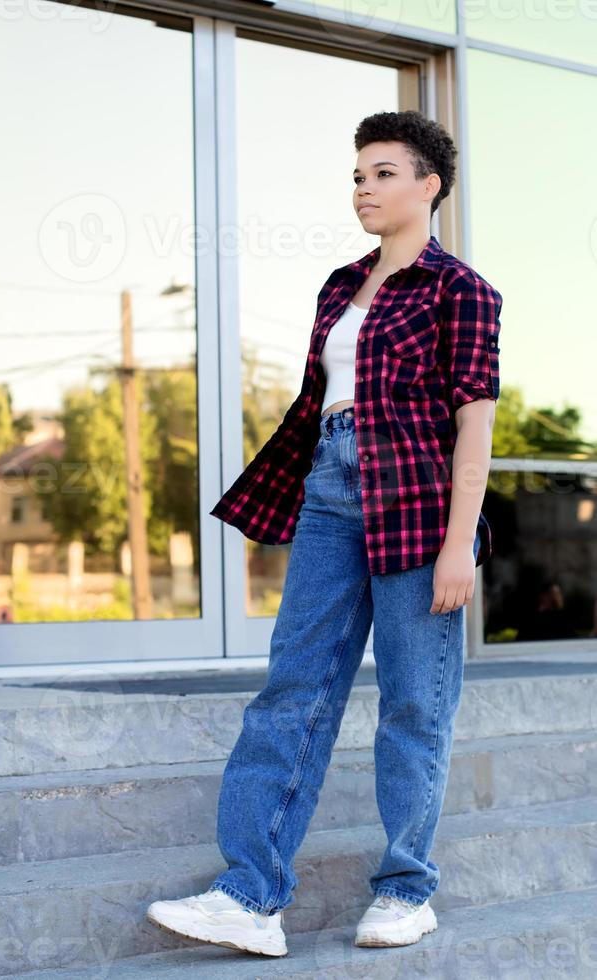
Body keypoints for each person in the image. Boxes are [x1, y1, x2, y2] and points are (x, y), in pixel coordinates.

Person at [146, 109, 502, 957]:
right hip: (333, 489)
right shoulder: (341, 286)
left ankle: (407, 888)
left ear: (430, 185)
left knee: (416, 703)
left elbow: (475, 427)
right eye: (357, 176)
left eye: (383, 173)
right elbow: (318, 407)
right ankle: (250, 895)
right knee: (293, 688)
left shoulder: (463, 291)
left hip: (419, 497)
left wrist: (461, 542)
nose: (364, 189)